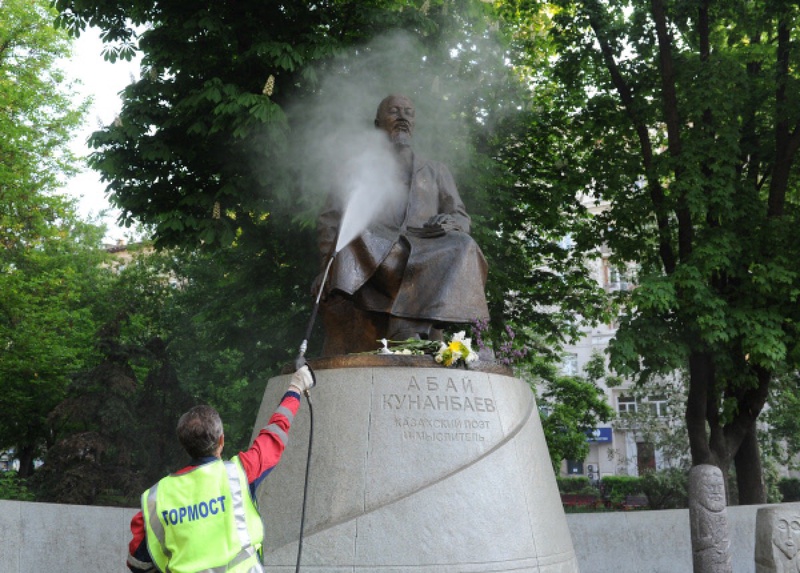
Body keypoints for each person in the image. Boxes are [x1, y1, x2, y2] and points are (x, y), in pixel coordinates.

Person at [316, 94, 490, 355]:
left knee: (464, 244)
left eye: (408, 113)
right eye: (394, 111)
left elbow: (461, 217)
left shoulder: (435, 170)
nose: (402, 118)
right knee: (356, 234)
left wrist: (450, 222)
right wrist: (326, 267)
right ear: (377, 124)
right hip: (376, 252)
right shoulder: (357, 168)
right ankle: (406, 328)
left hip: (427, 250)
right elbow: (330, 219)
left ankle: (406, 326)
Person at [126, 366, 315, 573]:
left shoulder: (156, 499)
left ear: (184, 444)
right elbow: (274, 434)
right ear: (221, 440)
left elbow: (138, 563)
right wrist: (296, 386)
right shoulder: (240, 473)